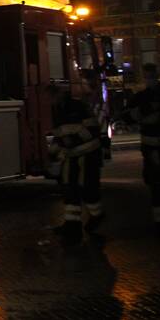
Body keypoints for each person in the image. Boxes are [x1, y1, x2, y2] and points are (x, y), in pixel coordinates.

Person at [123, 63, 160, 234]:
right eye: (148, 76)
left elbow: (129, 116)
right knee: (159, 184)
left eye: (151, 76)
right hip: (155, 148)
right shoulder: (143, 98)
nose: (149, 79)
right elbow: (127, 117)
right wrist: (147, 111)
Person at [49, 83, 104, 245]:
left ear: (58, 95)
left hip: (88, 154)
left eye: (51, 97)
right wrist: (52, 154)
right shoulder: (58, 109)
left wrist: (73, 139)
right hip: (73, 155)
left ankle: (97, 215)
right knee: (70, 188)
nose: (50, 101)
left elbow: (91, 129)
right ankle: (72, 226)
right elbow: (59, 135)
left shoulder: (78, 107)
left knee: (87, 188)